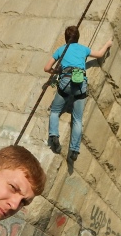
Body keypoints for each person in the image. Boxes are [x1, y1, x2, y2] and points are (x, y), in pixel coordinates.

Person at [44, 25, 112, 161]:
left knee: (55, 111)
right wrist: (108, 44)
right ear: (78, 37)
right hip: (80, 85)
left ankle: (54, 135)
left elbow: (46, 68)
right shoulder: (83, 49)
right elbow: (99, 54)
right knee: (77, 120)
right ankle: (74, 150)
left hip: (65, 84)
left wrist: (57, 72)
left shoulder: (61, 50)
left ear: (66, 38)